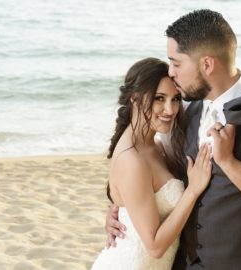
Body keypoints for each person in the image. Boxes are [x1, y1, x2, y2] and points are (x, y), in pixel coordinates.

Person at [105, 9, 241, 270]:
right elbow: (144, 172)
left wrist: (228, 163)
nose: (171, 72)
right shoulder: (184, 112)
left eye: (176, 63)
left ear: (207, 64)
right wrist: (120, 210)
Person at [91, 57, 212, 270]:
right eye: (159, 98)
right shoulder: (132, 159)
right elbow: (155, 247)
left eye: (175, 99)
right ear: (134, 98)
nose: (170, 109)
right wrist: (192, 191)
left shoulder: (153, 144)